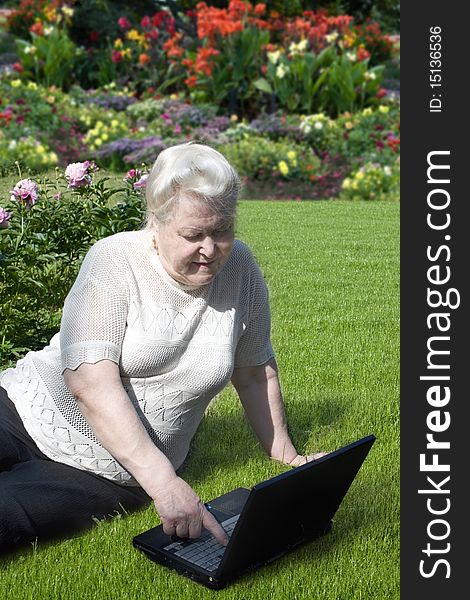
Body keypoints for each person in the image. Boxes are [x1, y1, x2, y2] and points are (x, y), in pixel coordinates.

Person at [0, 142, 324, 554]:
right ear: (156, 222)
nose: (210, 249)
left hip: (110, 470)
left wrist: (287, 457)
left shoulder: (240, 267)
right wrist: (166, 484)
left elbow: (254, 370)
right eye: (193, 235)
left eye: (222, 231)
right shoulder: (115, 259)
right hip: (23, 408)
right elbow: (90, 384)